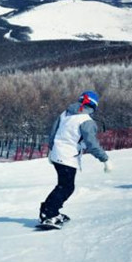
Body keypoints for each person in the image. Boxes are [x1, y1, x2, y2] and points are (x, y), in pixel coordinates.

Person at [39, 91, 112, 229]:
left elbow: (53, 133)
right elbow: (92, 144)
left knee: (63, 185)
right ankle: (48, 214)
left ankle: (51, 211)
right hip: (67, 157)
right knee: (66, 187)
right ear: (93, 106)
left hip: (57, 154)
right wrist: (105, 159)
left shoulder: (65, 114)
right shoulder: (86, 121)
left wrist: (51, 149)